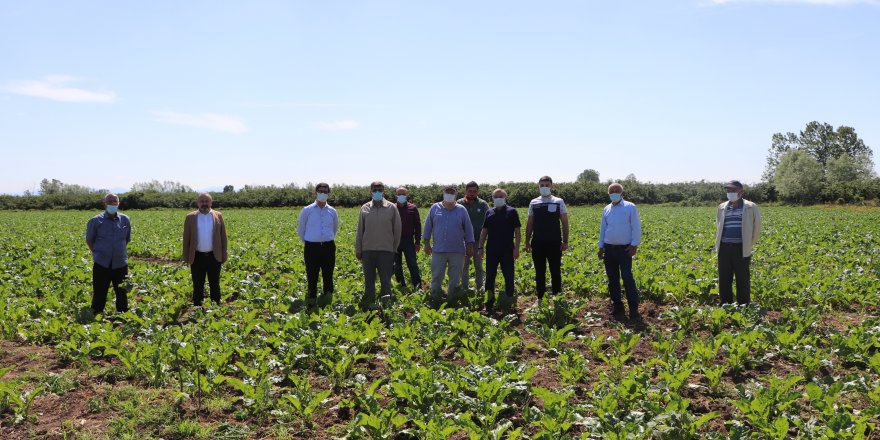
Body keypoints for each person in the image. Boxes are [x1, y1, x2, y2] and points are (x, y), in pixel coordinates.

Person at [423, 185, 475, 306]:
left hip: (457, 250)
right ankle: (435, 298)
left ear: (456, 195)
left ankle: (452, 299)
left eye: (452, 192)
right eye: (448, 192)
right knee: (436, 275)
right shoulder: (435, 208)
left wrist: (470, 245)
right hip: (438, 249)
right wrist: (426, 243)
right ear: (444, 193)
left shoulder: (461, 209)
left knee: (455, 278)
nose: (450, 194)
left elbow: (468, 229)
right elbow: (427, 226)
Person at [597, 183, 642, 319]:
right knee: (613, 279)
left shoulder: (630, 207)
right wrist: (601, 246)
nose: (614, 193)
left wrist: (634, 245)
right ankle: (618, 306)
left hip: (624, 249)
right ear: (609, 193)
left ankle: (633, 308)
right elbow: (603, 229)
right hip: (609, 249)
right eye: (612, 191)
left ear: (622, 193)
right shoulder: (606, 209)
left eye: (617, 191)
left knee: (627, 277)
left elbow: (636, 227)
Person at [524, 176, 570, 305]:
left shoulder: (558, 201)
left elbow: (565, 223)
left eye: (547, 185)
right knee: (539, 271)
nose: (544, 187)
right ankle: (540, 298)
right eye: (542, 185)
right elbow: (530, 223)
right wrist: (527, 242)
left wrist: (565, 241)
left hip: (555, 242)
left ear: (552, 186)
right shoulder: (534, 202)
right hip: (538, 242)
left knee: (555, 270)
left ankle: (557, 298)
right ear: (538, 186)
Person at [356, 181, 402, 308]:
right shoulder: (364, 208)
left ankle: (386, 304)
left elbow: (397, 230)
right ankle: (370, 303)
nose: (377, 192)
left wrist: (394, 248)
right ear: (370, 192)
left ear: (384, 191)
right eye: (374, 190)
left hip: (386, 250)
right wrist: (358, 249)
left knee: (385, 280)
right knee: (369, 280)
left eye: (379, 189)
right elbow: (360, 230)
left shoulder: (391, 208)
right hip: (368, 250)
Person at [715, 180, 762, 305]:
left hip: (741, 248)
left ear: (741, 192)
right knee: (724, 278)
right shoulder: (722, 207)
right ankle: (726, 304)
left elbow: (757, 228)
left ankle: (743, 305)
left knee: (742, 279)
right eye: (728, 190)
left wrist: (749, 244)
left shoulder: (751, 207)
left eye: (733, 190)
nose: (730, 193)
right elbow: (719, 226)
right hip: (724, 248)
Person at [85, 193, 131, 315]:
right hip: (102, 263)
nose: (112, 203)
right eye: (109, 201)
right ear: (104, 203)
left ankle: (123, 314)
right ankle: (96, 313)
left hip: (120, 262)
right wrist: (98, 253)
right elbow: (89, 240)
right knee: (100, 291)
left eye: (115, 201)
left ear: (118, 203)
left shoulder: (125, 219)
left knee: (122, 291)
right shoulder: (95, 221)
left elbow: (126, 239)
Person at [477, 188, 521, 313]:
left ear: (505, 198)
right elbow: (484, 231)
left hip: (507, 250)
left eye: (501, 196)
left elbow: (517, 232)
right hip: (491, 250)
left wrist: (517, 248)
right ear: (493, 199)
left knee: (508, 276)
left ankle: (509, 302)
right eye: (496, 197)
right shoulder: (489, 212)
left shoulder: (512, 212)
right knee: (490, 276)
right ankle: (489, 303)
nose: (498, 198)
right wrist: (480, 247)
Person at [297, 183, 339, 309]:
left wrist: (325, 240)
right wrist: (310, 242)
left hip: (328, 247)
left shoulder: (332, 211)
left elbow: (334, 229)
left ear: (328, 193)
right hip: (311, 247)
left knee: (328, 274)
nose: (323, 193)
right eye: (320, 191)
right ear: (315, 193)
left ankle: (327, 299)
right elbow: (301, 230)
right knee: (312, 274)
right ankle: (312, 299)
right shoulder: (307, 210)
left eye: (325, 192)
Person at [183, 193, 228, 306]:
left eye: (206, 201)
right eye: (202, 201)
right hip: (197, 256)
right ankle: (198, 307)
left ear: (211, 203)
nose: (204, 203)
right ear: (198, 203)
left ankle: (216, 306)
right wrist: (185, 256)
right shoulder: (190, 217)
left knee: (215, 283)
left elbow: (223, 236)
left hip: (214, 255)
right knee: (197, 283)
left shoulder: (218, 215)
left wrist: (224, 253)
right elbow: (186, 238)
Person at [458, 181, 489, 291]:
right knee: (464, 266)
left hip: (478, 240)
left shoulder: (483, 204)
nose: (472, 193)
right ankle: (464, 288)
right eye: (470, 191)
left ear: (477, 192)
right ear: (466, 191)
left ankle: (480, 288)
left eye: (474, 191)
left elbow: (488, 221)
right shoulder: (459, 204)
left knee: (478, 266)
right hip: (463, 241)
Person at [393, 186, 423, 291]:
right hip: (395, 241)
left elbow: (418, 226)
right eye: (399, 194)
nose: (401, 196)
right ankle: (401, 286)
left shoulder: (412, 208)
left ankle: (418, 285)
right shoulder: (392, 208)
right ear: (396, 196)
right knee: (397, 265)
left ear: (407, 195)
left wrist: (418, 242)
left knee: (412, 264)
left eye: (403, 194)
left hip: (408, 240)